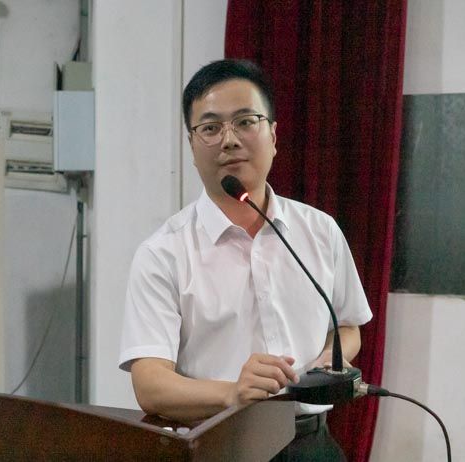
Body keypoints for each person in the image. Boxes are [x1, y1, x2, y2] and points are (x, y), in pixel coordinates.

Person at [119, 59, 372, 461]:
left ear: (273, 135)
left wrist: (328, 361)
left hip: (311, 444)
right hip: (220, 444)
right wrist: (232, 393)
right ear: (191, 146)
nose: (229, 140)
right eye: (210, 128)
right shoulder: (163, 253)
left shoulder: (319, 231)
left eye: (245, 121)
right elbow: (150, 385)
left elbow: (348, 326)